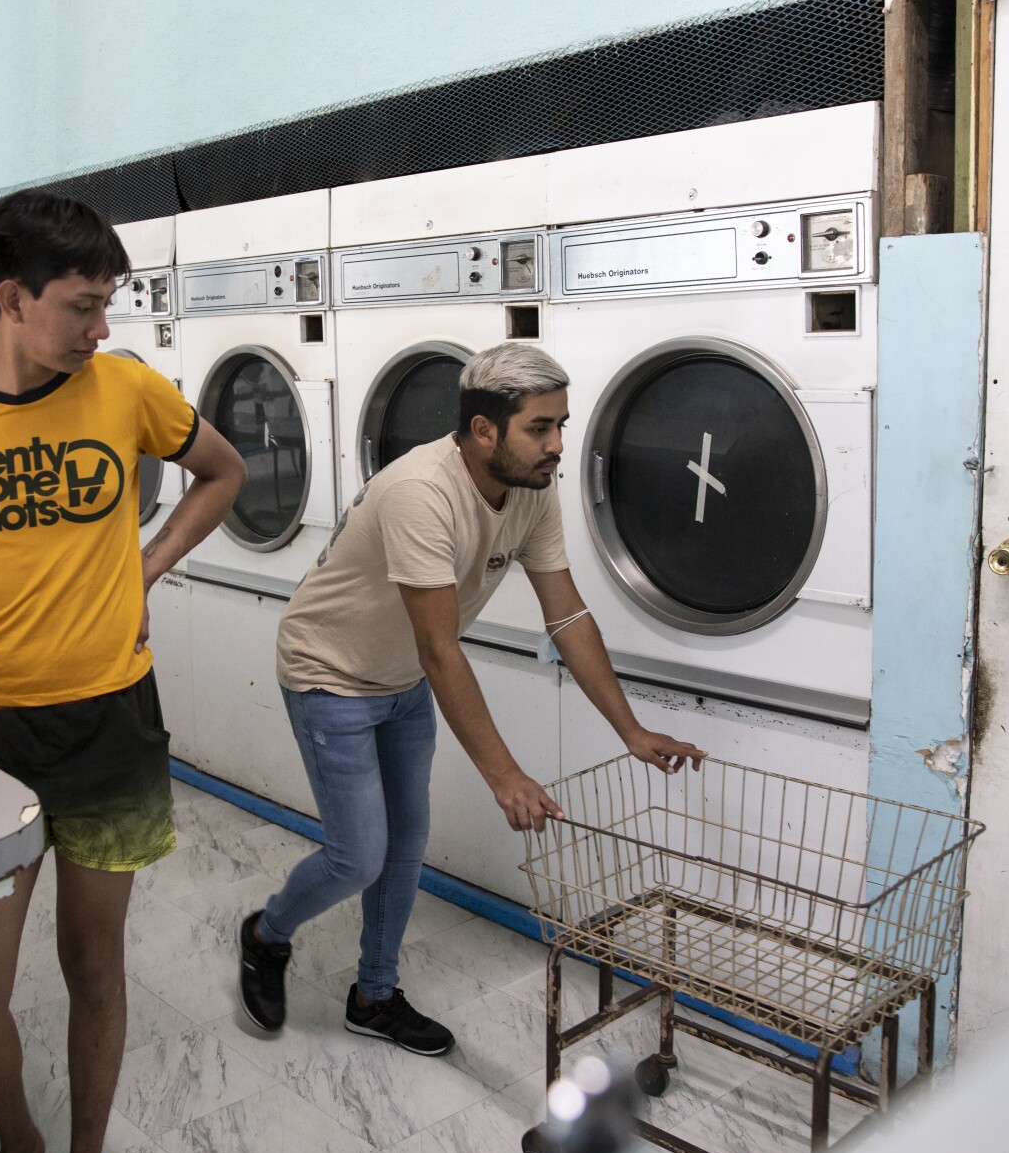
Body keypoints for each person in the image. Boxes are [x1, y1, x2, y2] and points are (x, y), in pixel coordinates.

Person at [0, 192, 246, 1153]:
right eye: (82, 305)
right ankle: (23, 1143)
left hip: (112, 720)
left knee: (93, 969)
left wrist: (143, 564)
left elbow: (224, 473)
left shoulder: (125, 389)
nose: (101, 327)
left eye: (109, 302)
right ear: (13, 297)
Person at [239, 343, 705, 1050]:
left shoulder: (532, 490)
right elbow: (440, 646)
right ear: (484, 430)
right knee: (358, 853)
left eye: (561, 425)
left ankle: (373, 995)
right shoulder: (421, 492)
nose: (557, 446)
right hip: (328, 671)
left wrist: (631, 730)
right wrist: (504, 773)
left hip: (399, 680)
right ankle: (267, 934)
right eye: (540, 428)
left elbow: (568, 615)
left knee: (404, 846)